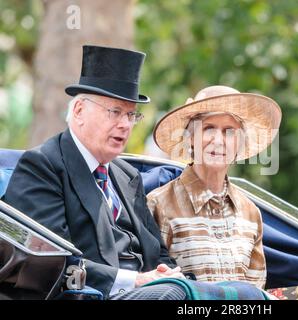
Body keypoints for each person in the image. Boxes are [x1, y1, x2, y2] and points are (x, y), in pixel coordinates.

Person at [3, 45, 186, 300]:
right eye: (115, 112)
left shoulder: (126, 174)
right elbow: (52, 263)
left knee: (241, 295)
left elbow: (158, 252)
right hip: (95, 294)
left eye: (131, 114)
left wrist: (166, 273)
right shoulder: (43, 166)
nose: (125, 124)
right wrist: (137, 280)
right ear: (79, 111)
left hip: (153, 290)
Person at [147, 85, 282, 289]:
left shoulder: (250, 212)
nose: (218, 141)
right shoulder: (159, 204)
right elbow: (153, 287)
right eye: (208, 128)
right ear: (190, 138)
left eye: (229, 132)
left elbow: (254, 293)